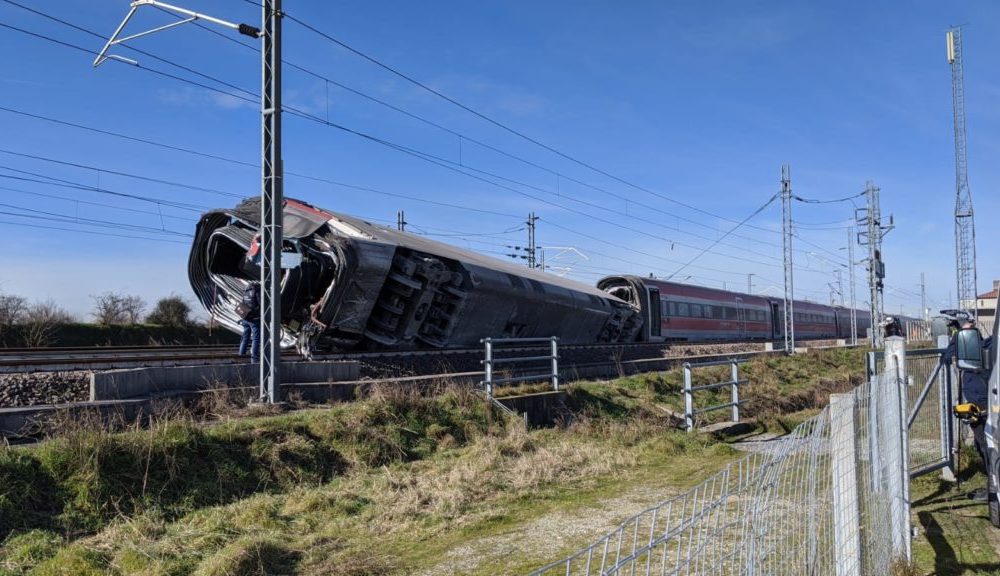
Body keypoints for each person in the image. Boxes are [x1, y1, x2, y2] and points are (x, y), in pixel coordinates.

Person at [943, 318, 993, 500]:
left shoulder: (981, 348)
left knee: (986, 444)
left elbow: (947, 357)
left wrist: (958, 336)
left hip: (982, 401)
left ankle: (994, 487)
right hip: (980, 399)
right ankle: (992, 484)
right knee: (984, 444)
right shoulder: (989, 344)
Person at [238, 281, 261, 363]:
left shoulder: (246, 291)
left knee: (245, 337)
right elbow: (261, 305)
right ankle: (254, 358)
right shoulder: (257, 291)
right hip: (254, 318)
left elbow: (243, 304)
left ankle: (241, 355)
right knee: (256, 338)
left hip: (245, 318)